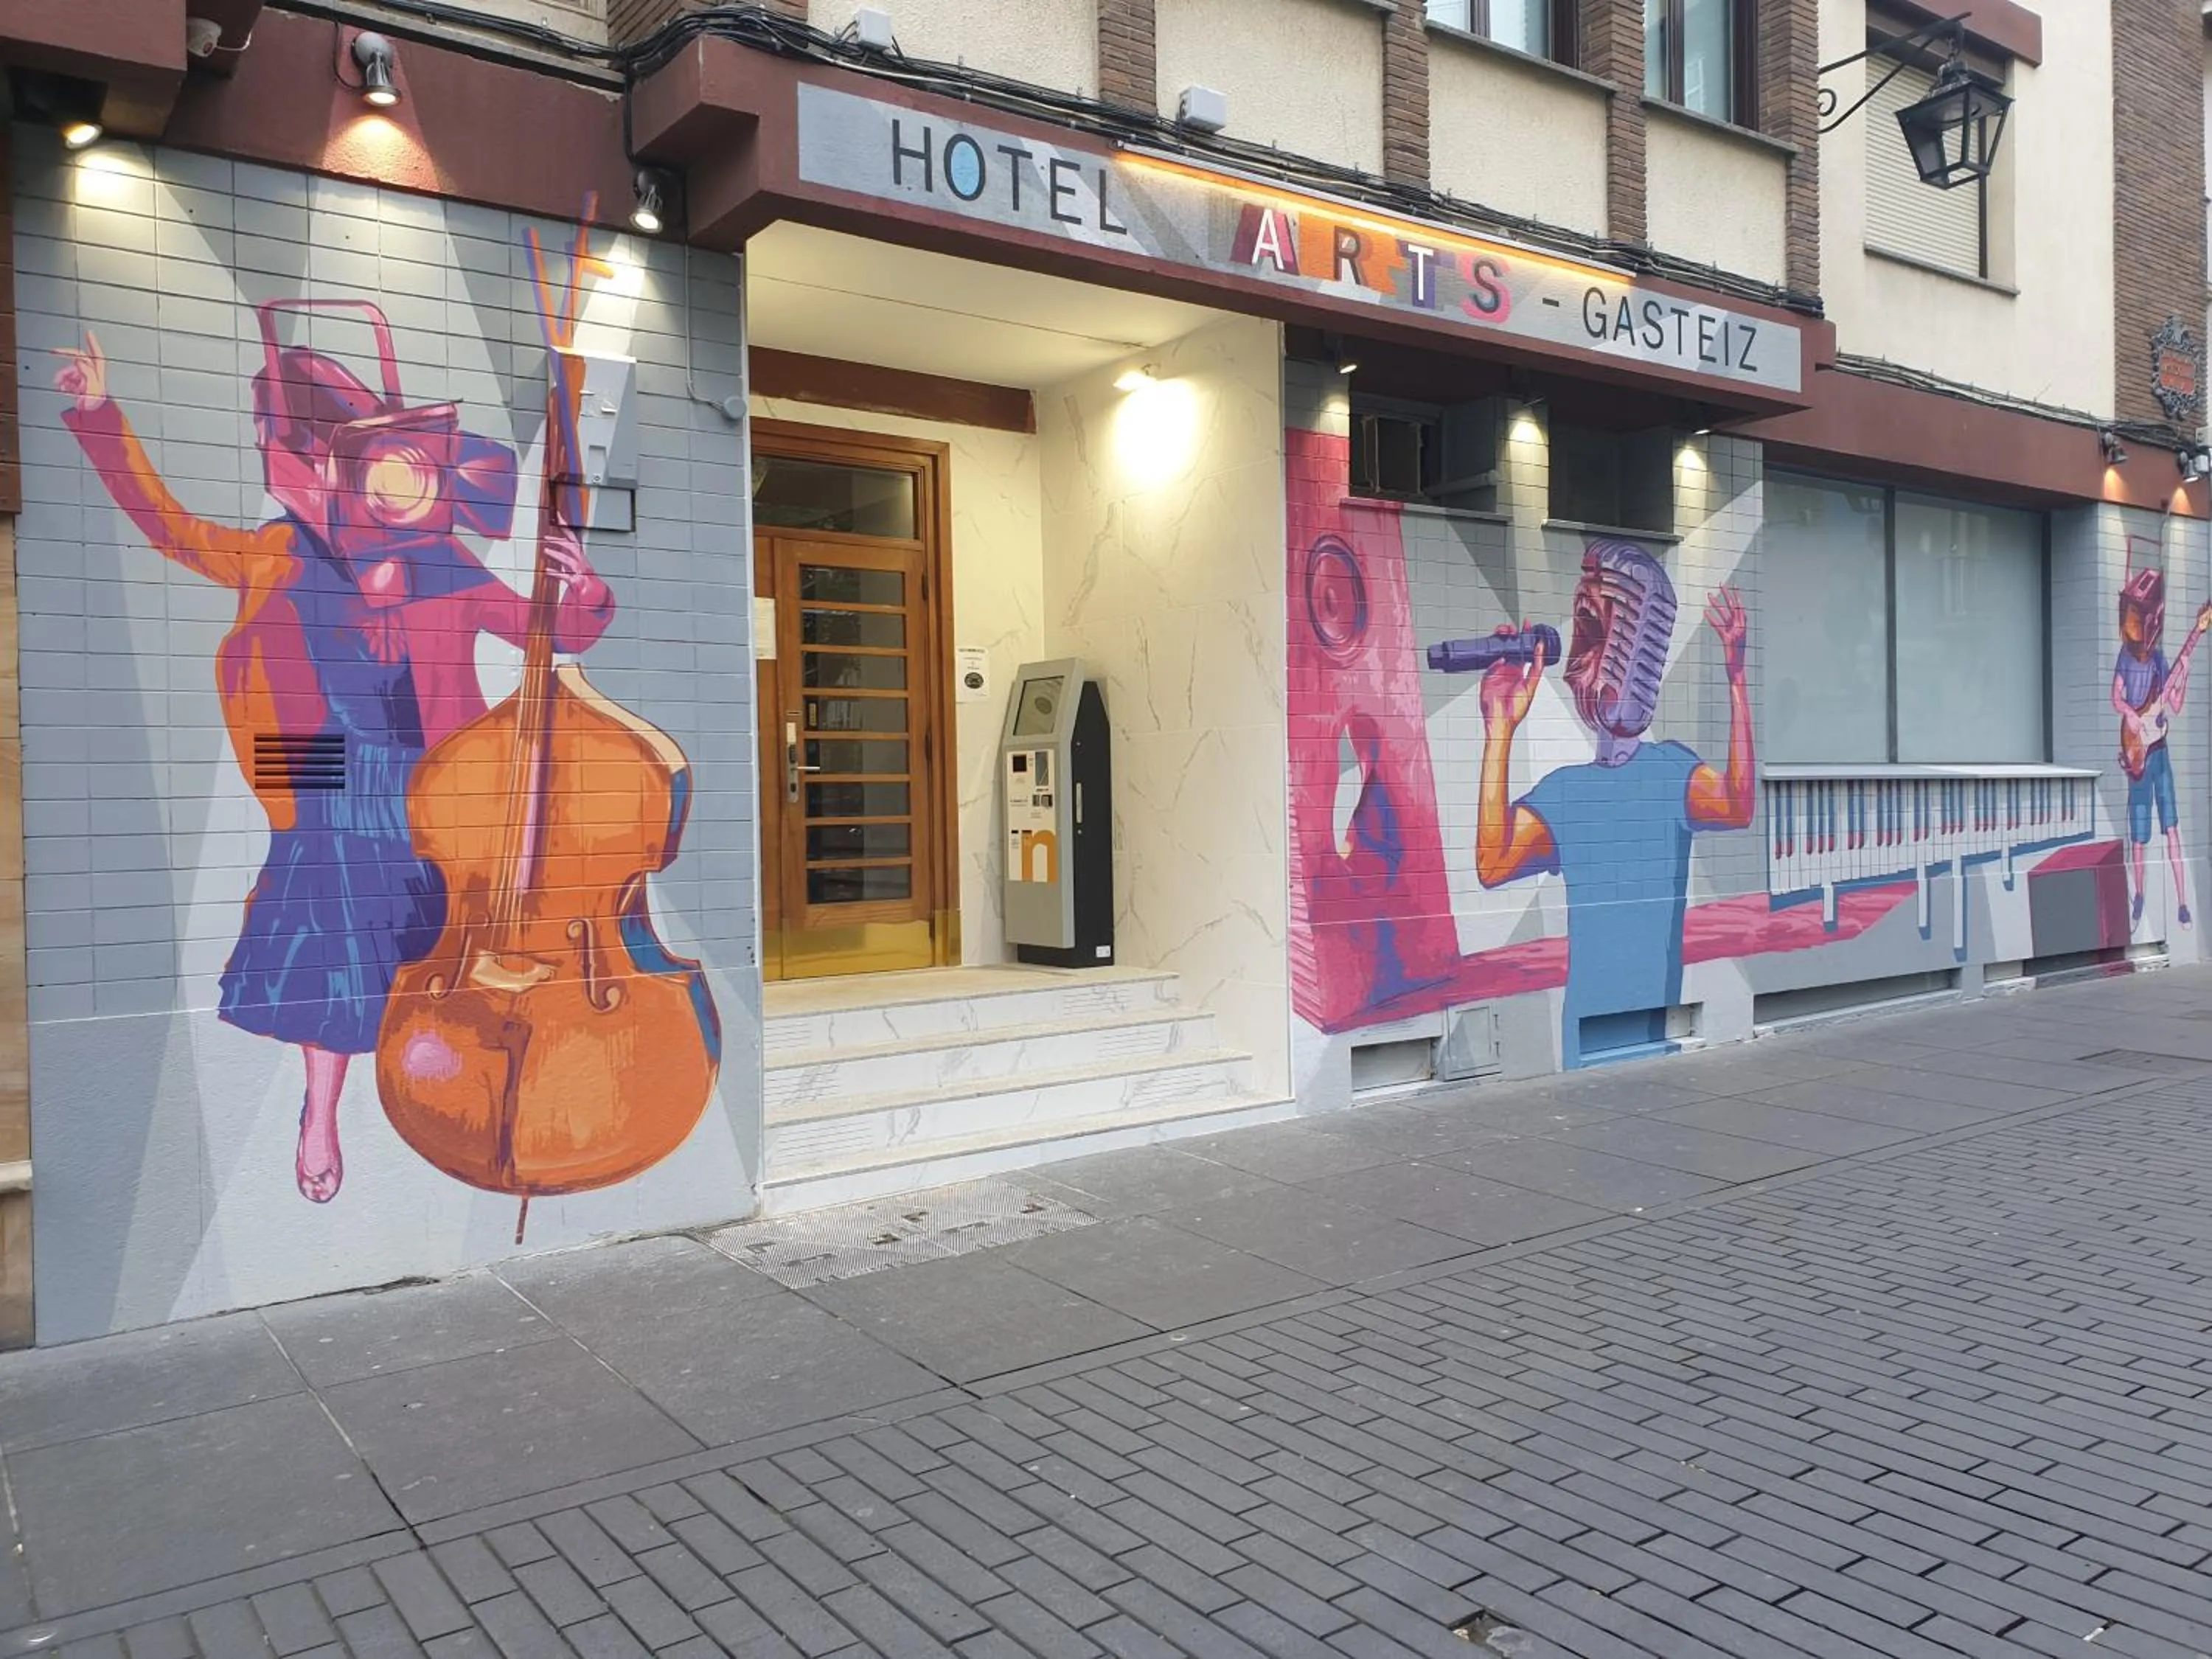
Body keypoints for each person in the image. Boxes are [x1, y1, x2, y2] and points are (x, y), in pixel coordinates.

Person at [55, 325, 614, 1203]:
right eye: (279, 446)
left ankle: (445, 1081)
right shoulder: (273, 556)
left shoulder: (445, 564)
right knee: (331, 941)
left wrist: (582, 589)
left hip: (431, 780)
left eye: (293, 445)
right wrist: (99, 415)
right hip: (317, 774)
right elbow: (166, 527)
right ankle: (320, 1113)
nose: (283, 464)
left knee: (441, 945)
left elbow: (557, 634)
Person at [1472, 540, 1753, 1068]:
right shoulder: (1567, 792)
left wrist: (1737, 678)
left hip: (1654, 1020)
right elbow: (1492, 863)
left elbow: (1738, 804)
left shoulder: (1671, 771)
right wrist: (1500, 729)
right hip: (1586, 1029)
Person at [2111, 568, 2211, 930]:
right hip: (2138, 754)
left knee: (2172, 828)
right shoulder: (2125, 655)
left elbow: (2176, 704)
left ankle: (2183, 904)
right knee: (2139, 835)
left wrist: (2183, 673)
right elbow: (2116, 697)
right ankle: (2139, 896)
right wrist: (2131, 717)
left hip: (2161, 754)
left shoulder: (2160, 659)